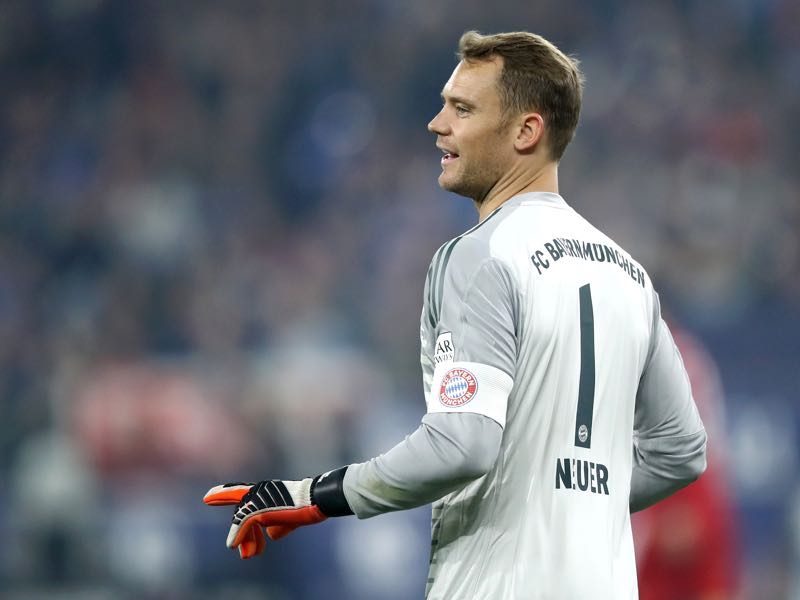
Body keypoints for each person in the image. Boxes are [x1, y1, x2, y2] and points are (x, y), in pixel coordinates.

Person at [204, 30, 708, 599]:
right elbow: (681, 452)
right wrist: (568, 507)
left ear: (526, 131)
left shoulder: (482, 255)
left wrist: (312, 497)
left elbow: (462, 444)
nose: (437, 124)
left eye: (462, 109)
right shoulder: (629, 275)